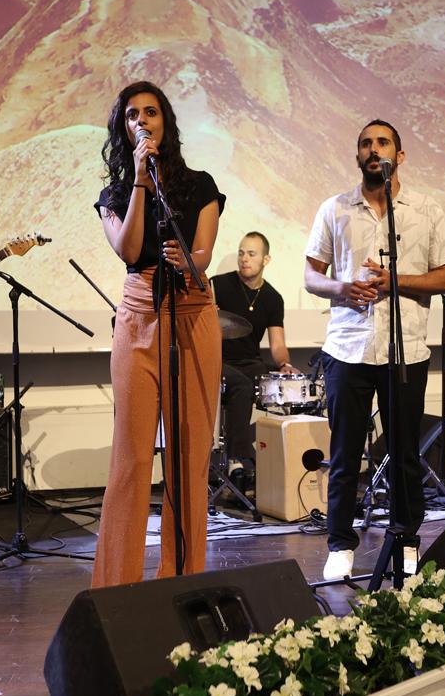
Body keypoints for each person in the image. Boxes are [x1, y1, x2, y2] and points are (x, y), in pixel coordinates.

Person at [304, 119, 445, 580]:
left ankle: (406, 538)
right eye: (366, 144)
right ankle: (340, 544)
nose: (374, 149)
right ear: (357, 156)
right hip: (347, 348)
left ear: (399, 155)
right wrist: (342, 288)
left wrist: (394, 281)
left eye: (383, 143)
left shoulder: (426, 210)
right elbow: (311, 276)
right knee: (345, 454)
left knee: (405, 454)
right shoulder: (334, 208)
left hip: (405, 351)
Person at [92, 81, 224, 588]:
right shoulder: (115, 195)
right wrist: (141, 182)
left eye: (150, 112)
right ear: (123, 129)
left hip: (192, 311)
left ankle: (182, 579)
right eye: (132, 115)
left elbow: (204, 253)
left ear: (165, 121)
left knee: (189, 460)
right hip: (139, 314)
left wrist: (190, 261)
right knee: (131, 458)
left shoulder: (200, 185)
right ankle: (116, 587)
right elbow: (129, 251)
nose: (142, 121)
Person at [211, 232, 297, 476]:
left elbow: (277, 344)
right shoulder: (218, 285)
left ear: (265, 260)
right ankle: (237, 459)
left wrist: (285, 364)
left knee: (291, 386)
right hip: (219, 361)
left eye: (251, 254)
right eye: (241, 253)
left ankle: (286, 465)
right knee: (242, 386)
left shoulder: (273, 298)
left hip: (250, 362)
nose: (244, 259)